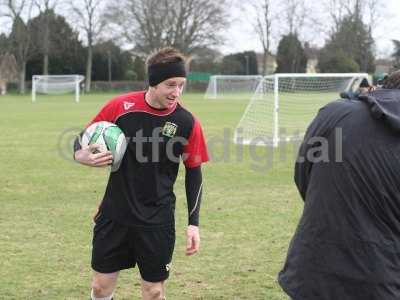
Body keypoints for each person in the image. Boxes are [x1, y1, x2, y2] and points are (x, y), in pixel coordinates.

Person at [73, 47, 209, 300]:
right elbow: (84, 138)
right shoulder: (120, 107)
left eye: (181, 85)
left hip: (157, 219)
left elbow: (194, 174)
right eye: (171, 84)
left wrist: (193, 224)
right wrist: (78, 154)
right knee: (100, 287)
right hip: (115, 213)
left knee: (154, 291)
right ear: (154, 82)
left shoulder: (187, 122)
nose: (177, 92)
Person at [278, 70, 400, 300]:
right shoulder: (334, 114)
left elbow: (303, 176)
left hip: (312, 272)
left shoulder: (332, 113)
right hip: (383, 281)